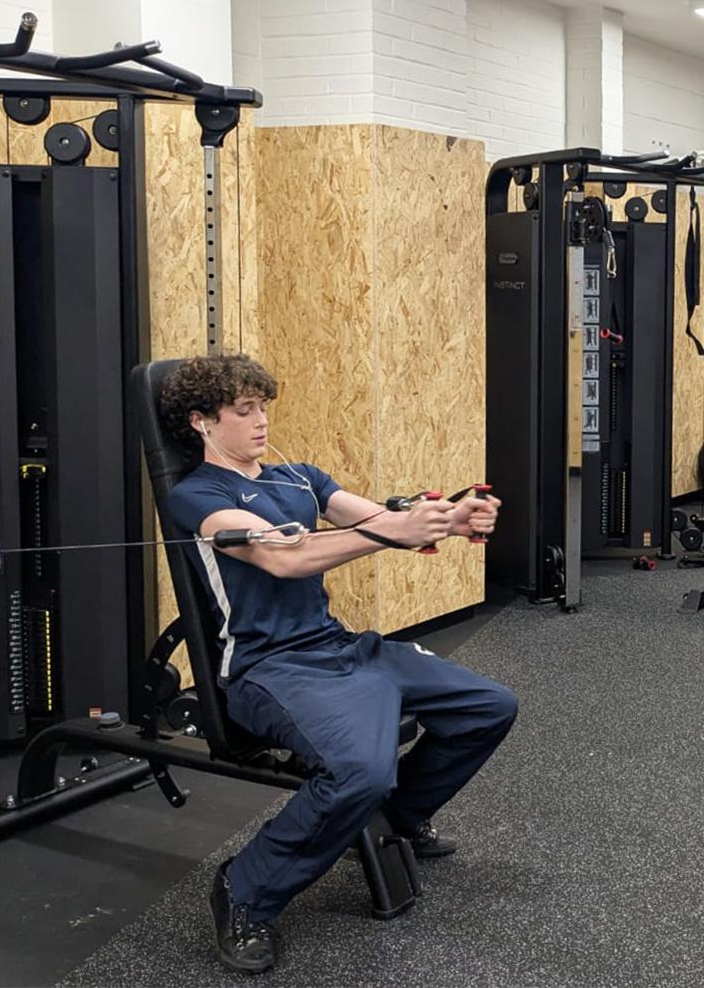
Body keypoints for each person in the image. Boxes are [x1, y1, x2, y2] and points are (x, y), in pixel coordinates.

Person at [159, 353, 518, 974]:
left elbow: (375, 518)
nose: (260, 421)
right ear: (201, 421)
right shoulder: (198, 496)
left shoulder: (300, 477)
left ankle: (397, 817)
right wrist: (391, 534)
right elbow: (283, 560)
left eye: (263, 406)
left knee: (489, 707)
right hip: (268, 668)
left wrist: (449, 520)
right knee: (359, 771)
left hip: (338, 645)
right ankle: (246, 888)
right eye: (243, 411)